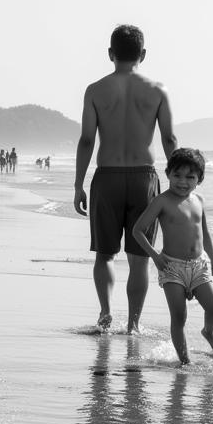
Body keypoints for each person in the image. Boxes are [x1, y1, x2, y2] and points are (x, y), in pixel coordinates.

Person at [74, 24, 177, 333]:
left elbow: (86, 141)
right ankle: (133, 324)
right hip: (144, 178)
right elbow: (170, 138)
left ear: (110, 54)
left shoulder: (95, 90)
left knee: (105, 254)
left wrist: (78, 184)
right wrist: (179, 186)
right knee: (139, 258)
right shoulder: (158, 91)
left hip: (107, 178)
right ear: (143, 54)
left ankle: (105, 314)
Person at [132, 148, 213, 365]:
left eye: (190, 177)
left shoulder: (199, 200)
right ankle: (185, 361)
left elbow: (205, 233)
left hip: (199, 266)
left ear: (199, 179)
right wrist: (155, 256)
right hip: (171, 266)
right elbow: (137, 230)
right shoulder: (162, 201)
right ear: (168, 174)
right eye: (177, 175)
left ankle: (208, 332)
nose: (183, 182)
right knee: (179, 316)